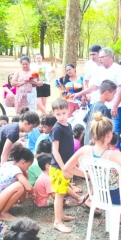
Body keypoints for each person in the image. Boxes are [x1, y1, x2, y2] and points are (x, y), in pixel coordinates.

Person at [63, 112, 121, 222]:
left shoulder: (84, 150)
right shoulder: (114, 154)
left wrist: (89, 175)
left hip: (99, 196)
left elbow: (67, 168)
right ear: (109, 135)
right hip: (117, 198)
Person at [71, 48, 121, 148]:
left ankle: (115, 153)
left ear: (110, 57)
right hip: (103, 105)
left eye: (102, 57)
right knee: (102, 131)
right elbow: (94, 86)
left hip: (117, 106)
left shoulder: (119, 69)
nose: (99, 59)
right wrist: (80, 93)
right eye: (99, 57)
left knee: (114, 131)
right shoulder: (99, 70)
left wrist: (115, 105)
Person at [0, 143, 35, 221]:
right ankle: (3, 214)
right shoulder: (16, 170)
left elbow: (23, 198)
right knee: (19, 186)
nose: (28, 168)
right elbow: (28, 187)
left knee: (20, 183)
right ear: (23, 162)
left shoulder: (8, 164)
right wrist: (32, 193)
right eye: (28, 166)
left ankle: (2, 210)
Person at [49, 97, 80, 233]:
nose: (61, 117)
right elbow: (55, 150)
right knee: (59, 195)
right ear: (53, 114)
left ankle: (61, 215)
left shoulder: (68, 125)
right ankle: (57, 221)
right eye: (58, 114)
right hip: (58, 167)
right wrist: (64, 168)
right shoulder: (56, 129)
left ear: (68, 111)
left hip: (65, 166)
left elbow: (68, 146)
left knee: (62, 191)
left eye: (63, 113)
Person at [83, 80, 116, 145]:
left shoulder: (94, 105)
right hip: (97, 144)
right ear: (107, 93)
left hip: (87, 141)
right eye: (113, 94)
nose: (114, 96)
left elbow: (85, 120)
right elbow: (107, 129)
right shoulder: (104, 108)